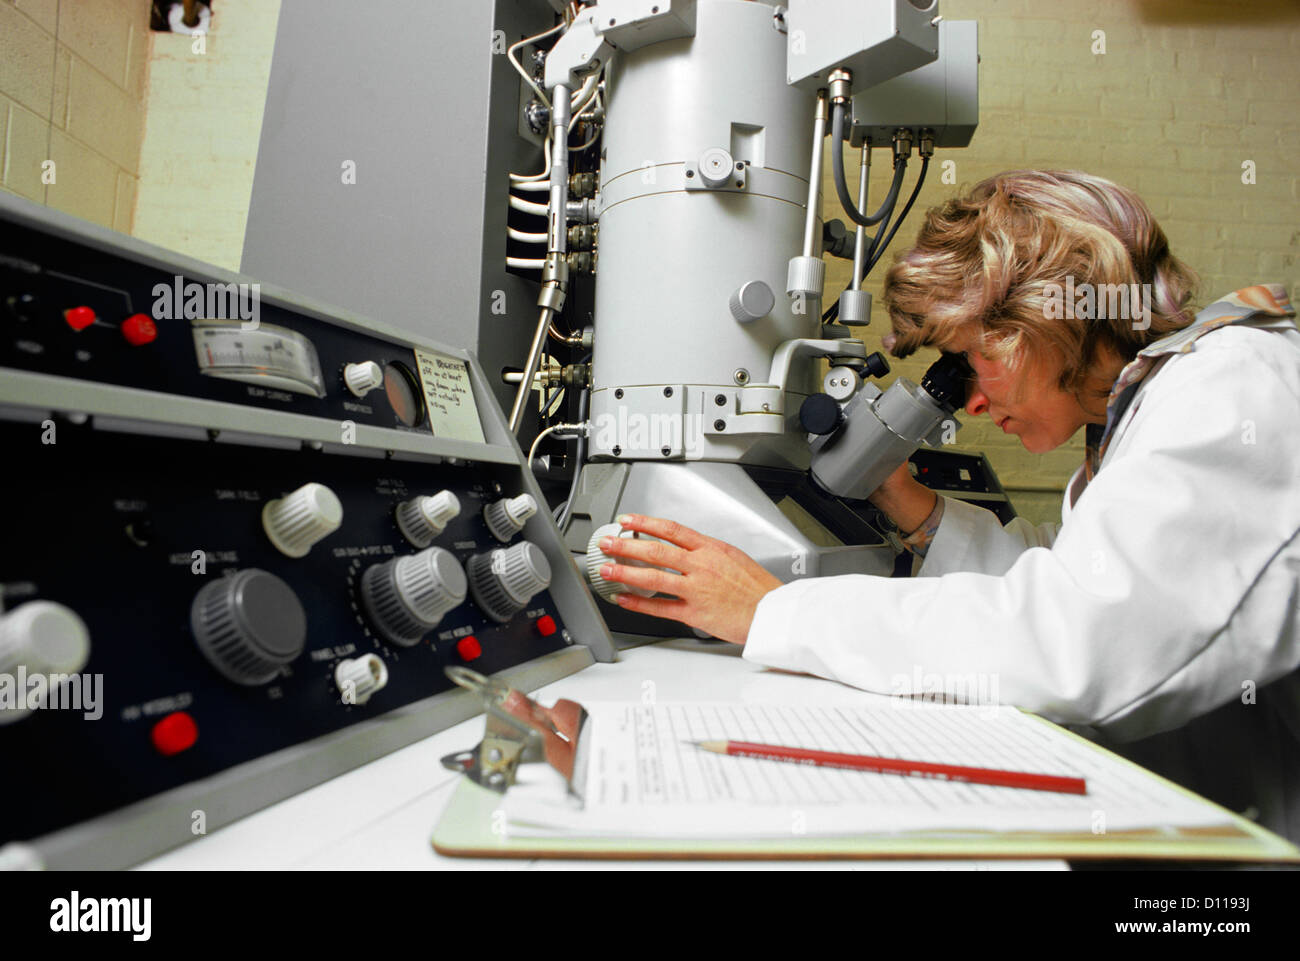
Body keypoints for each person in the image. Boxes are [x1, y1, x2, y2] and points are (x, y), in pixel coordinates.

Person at [595, 170, 1300, 841]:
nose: (975, 402)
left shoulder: (1231, 383)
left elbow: (1080, 638)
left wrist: (771, 611)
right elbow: (1074, 575)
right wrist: (915, 507)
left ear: (1044, 318)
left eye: (970, 362)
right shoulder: (1150, 409)